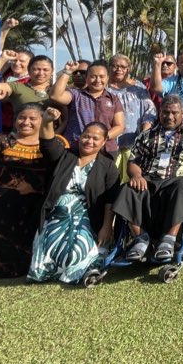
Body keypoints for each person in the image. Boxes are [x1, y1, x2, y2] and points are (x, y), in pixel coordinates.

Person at [0, 90, 60, 278]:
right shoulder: (3, 142)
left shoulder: (52, 145)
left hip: (33, 210)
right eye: (21, 118)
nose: (25, 122)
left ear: (42, 121)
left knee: (26, 260)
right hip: (0, 208)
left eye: (32, 119)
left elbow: (58, 178)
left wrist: (34, 189)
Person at [113, 95, 183, 263]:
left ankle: (169, 239)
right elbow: (133, 161)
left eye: (174, 113)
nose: (169, 116)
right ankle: (140, 238)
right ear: (159, 113)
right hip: (150, 178)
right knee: (127, 188)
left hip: (180, 177)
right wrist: (137, 175)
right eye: (165, 112)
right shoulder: (147, 135)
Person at [28, 109, 120, 284]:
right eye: (86, 136)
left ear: (104, 142)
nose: (89, 141)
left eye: (95, 138)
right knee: (53, 236)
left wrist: (107, 226)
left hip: (87, 214)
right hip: (57, 212)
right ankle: (49, 271)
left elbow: (111, 199)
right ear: (80, 136)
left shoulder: (108, 166)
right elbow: (47, 143)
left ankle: (82, 273)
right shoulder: (64, 155)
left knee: (81, 243)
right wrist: (47, 121)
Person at [50, 60, 125, 154]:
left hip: (105, 150)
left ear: (107, 78)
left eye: (102, 77)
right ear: (87, 78)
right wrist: (67, 72)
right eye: (93, 76)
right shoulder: (75, 95)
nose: (98, 80)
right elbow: (55, 96)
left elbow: (120, 126)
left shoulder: (113, 99)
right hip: (76, 148)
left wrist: (101, 139)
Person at [107, 54, 157, 180]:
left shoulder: (138, 87)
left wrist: (144, 135)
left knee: (129, 181)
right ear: (109, 67)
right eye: (114, 66)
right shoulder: (103, 88)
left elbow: (149, 111)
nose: (119, 69)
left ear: (129, 69)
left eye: (123, 67)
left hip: (133, 144)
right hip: (109, 144)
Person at [0, 51, 54, 118]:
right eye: (36, 69)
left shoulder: (57, 91)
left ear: (52, 71)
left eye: (45, 70)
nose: (41, 73)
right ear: (29, 70)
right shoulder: (17, 86)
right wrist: (2, 58)